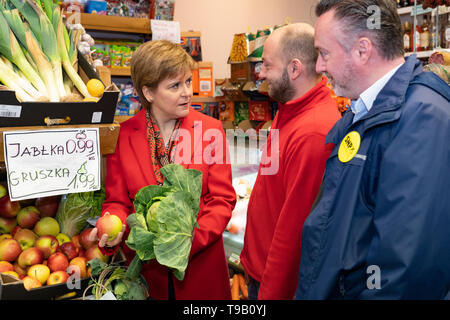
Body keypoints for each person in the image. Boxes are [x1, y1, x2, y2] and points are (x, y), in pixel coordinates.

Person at [296, 0, 450, 300]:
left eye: (324, 53)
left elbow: (403, 274)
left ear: (363, 50)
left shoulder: (422, 119)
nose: (318, 66)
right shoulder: (365, 109)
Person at [89, 40, 236, 300]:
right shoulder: (123, 137)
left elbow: (222, 200)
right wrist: (113, 228)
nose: (187, 92)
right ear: (148, 92)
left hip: (200, 268)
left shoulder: (210, 130)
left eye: (188, 82)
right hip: (147, 273)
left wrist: (184, 243)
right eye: (175, 86)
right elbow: (117, 202)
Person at [239, 23, 341, 300]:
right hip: (258, 269)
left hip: (276, 285)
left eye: (267, 65)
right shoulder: (289, 111)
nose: (260, 74)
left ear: (294, 69)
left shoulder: (313, 132)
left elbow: (294, 234)